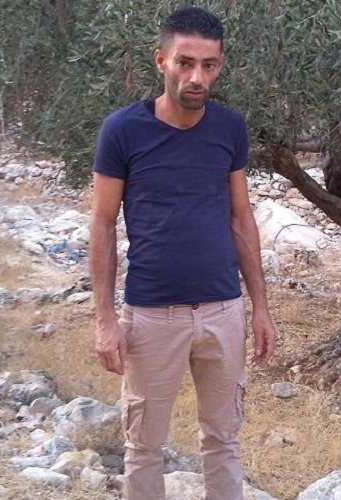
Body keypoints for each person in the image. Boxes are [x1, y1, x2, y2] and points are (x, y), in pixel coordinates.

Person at [89, 7, 275, 500]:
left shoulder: (229, 129)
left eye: (208, 65)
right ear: (161, 61)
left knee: (223, 440)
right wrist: (105, 319)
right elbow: (102, 224)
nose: (197, 78)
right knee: (144, 446)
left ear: (220, 65)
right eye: (185, 63)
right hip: (152, 315)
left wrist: (260, 307)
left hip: (222, 310)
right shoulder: (122, 131)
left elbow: (241, 218)